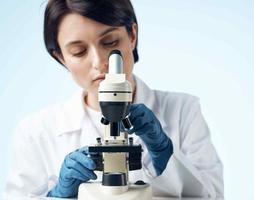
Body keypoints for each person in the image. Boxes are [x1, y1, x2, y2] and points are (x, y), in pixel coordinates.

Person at [4, 0, 223, 199]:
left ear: (132, 36)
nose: (99, 62)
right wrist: (58, 195)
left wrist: (165, 155)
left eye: (109, 42)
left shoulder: (183, 110)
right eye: (79, 51)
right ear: (60, 57)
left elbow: (214, 195)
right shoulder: (36, 131)